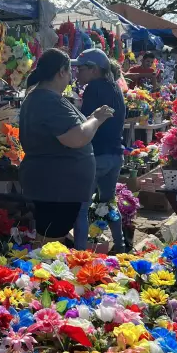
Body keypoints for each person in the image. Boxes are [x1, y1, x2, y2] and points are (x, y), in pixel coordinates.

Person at [19, 49, 113, 244]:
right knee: (50, 245)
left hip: (57, 187)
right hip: (56, 188)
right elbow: (76, 138)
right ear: (61, 71)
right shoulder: (47, 100)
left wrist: (89, 120)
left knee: (50, 241)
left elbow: (70, 131)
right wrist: (96, 119)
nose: (71, 77)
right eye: (70, 72)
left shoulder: (45, 97)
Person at [73, 48, 127, 252]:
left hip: (97, 155)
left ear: (94, 70)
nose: (77, 73)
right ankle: (120, 246)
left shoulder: (93, 88)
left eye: (80, 68)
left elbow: (85, 123)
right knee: (108, 203)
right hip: (115, 154)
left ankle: (79, 253)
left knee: (82, 208)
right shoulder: (115, 87)